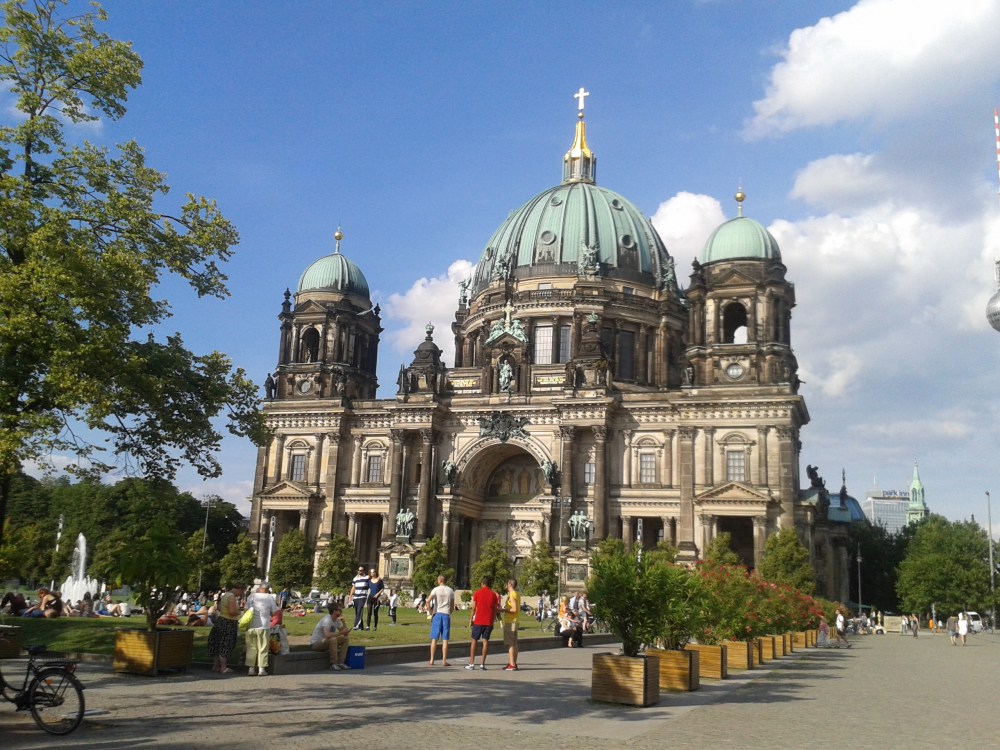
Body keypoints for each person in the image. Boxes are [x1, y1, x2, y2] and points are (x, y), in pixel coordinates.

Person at [208, 584, 244, 674]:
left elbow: (219, 607)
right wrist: (240, 611)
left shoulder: (225, 595)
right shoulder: (231, 597)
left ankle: (215, 666)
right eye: (242, 591)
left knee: (217, 643)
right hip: (229, 622)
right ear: (239, 589)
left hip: (221, 620)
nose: (242, 593)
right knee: (226, 643)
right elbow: (232, 612)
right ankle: (223, 667)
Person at [466, 576, 500, 670]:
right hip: (488, 621)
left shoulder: (477, 593)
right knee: (485, 641)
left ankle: (472, 663)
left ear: (482, 583)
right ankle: (482, 664)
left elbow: (473, 608)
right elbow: (494, 609)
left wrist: (471, 620)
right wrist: (493, 620)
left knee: (474, 640)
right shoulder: (493, 594)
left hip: (479, 620)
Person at [245, 584, 279, 676]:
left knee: (251, 647)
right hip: (264, 626)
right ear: (267, 589)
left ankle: (251, 669)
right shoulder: (270, 597)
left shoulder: (251, 596)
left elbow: (245, 610)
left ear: (260, 588)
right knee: (263, 647)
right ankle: (261, 669)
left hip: (251, 626)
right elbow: (274, 611)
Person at [311, 602, 352, 670]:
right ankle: (333, 664)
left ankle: (341, 663)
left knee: (345, 639)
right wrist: (341, 632)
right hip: (316, 643)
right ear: (334, 611)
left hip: (327, 641)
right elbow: (327, 635)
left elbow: (345, 634)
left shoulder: (337, 621)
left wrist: (343, 621)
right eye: (339, 610)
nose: (341, 612)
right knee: (333, 639)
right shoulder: (327, 620)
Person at [427, 575, 455, 666]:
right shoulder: (450, 590)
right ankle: (444, 660)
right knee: (445, 639)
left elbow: (428, 601)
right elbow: (452, 605)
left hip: (437, 613)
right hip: (446, 614)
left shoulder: (435, 589)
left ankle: (431, 660)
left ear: (439, 580)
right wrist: (450, 611)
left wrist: (430, 611)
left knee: (434, 638)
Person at [502, 578, 520, 671]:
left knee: (510, 643)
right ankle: (513, 663)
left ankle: (512, 664)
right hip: (515, 621)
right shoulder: (516, 594)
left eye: (506, 583)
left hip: (511, 621)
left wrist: (504, 610)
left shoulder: (512, 595)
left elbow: (514, 609)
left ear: (510, 584)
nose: (505, 585)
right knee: (514, 643)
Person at [349, 566, 371, 630]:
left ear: (364, 571)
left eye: (361, 570)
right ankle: (361, 627)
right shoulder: (355, 578)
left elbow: (373, 581)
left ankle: (356, 625)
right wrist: (350, 596)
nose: (360, 571)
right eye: (359, 570)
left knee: (359, 611)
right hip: (356, 597)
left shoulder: (367, 578)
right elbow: (353, 587)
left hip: (363, 596)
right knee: (357, 612)